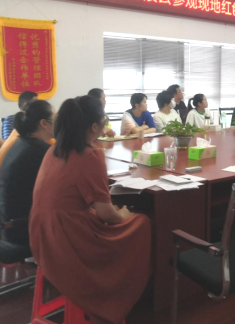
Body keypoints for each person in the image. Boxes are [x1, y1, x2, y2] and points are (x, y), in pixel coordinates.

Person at [30, 96, 152, 324]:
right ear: (95, 127)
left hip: (41, 235)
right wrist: (124, 214)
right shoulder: (90, 155)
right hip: (68, 239)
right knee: (141, 222)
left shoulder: (54, 149)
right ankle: (120, 299)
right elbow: (107, 214)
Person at [0, 100, 54, 248]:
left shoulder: (22, 143)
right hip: (22, 228)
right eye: (56, 118)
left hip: (7, 224)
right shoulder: (41, 151)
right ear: (44, 123)